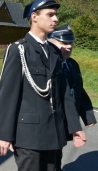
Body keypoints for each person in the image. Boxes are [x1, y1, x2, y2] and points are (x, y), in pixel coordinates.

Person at [0, 0, 86, 171]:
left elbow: (64, 93)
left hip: (55, 133)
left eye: (56, 15)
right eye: (50, 14)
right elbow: (7, 96)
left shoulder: (54, 52)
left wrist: (75, 127)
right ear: (34, 17)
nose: (56, 19)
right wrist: (4, 134)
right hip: (29, 136)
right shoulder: (19, 50)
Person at [48, 24, 97, 170]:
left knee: (57, 155)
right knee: (47, 159)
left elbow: (78, 90)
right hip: (49, 121)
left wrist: (87, 115)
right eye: (64, 43)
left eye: (70, 43)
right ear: (50, 42)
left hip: (66, 120)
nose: (69, 46)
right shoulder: (47, 65)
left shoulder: (72, 64)